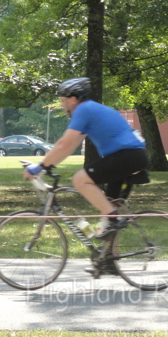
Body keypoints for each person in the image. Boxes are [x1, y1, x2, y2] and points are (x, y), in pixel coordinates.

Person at [24, 77, 148, 239]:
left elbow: (63, 143)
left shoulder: (83, 110)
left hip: (127, 156)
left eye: (63, 101)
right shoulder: (91, 110)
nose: (62, 105)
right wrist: (48, 165)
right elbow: (69, 147)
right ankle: (108, 252)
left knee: (79, 180)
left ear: (73, 99)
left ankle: (114, 219)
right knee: (107, 214)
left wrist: (40, 167)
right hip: (132, 156)